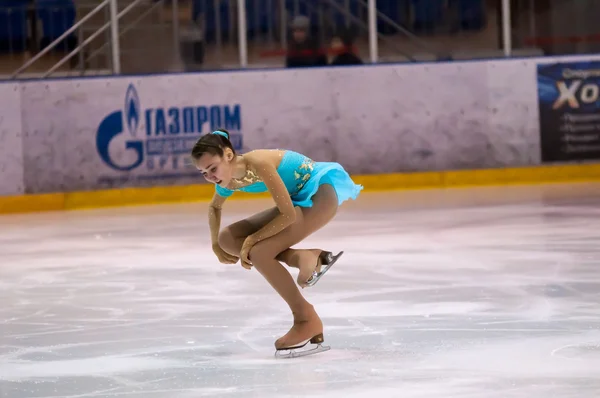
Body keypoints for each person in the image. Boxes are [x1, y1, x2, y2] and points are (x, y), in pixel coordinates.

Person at [190, 129, 362, 356]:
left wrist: (252, 240)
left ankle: (305, 319)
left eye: (213, 168)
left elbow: (288, 215)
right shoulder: (226, 181)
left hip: (319, 196)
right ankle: (303, 257)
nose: (210, 176)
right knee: (227, 239)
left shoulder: (259, 162)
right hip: (298, 203)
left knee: (260, 253)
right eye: (203, 173)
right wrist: (214, 244)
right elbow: (214, 206)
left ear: (229, 155)